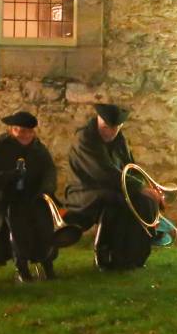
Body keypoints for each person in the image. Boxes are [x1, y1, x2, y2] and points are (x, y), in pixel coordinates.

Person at [64, 102, 159, 270]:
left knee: (144, 202)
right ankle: (104, 253)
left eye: (116, 128)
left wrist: (144, 187)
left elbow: (130, 167)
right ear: (99, 121)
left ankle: (135, 256)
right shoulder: (84, 138)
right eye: (107, 127)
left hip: (113, 188)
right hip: (83, 192)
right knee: (121, 200)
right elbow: (102, 172)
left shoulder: (119, 138)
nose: (111, 132)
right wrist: (139, 188)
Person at [0, 111, 63, 283]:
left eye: (29, 132)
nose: (25, 136)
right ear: (12, 130)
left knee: (44, 219)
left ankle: (47, 262)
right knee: (17, 220)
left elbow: (49, 170)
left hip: (33, 195)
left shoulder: (38, 147)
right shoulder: (0, 146)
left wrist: (46, 188)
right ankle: (21, 266)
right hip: (5, 196)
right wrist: (9, 176)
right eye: (20, 131)